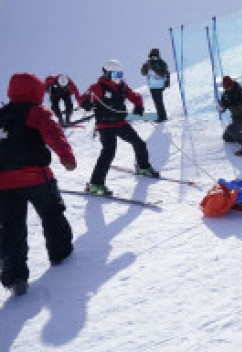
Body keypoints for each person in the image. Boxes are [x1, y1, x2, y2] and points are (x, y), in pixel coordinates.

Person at [0, 73, 77, 296]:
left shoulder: (2, 115)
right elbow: (54, 133)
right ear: (36, 90)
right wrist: (67, 157)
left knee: (11, 227)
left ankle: (15, 277)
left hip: (4, 184)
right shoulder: (37, 111)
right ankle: (60, 253)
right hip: (37, 176)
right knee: (52, 213)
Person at [80, 59, 159, 195]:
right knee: (109, 152)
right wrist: (86, 103)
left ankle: (143, 167)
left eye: (119, 74)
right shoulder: (97, 87)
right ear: (107, 73)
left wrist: (139, 106)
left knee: (139, 143)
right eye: (115, 75)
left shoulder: (122, 86)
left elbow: (135, 96)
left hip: (120, 123)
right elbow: (83, 98)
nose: (118, 78)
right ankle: (95, 184)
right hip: (105, 125)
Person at [217, 76, 242, 156]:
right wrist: (221, 107)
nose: (226, 89)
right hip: (236, 119)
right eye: (225, 87)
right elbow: (222, 107)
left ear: (232, 84)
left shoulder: (241, 92)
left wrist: (234, 104)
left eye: (228, 87)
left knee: (231, 129)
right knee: (226, 137)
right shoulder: (226, 95)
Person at [140, 48, 170, 122]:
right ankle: (161, 115)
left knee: (159, 101)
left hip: (159, 85)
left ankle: (162, 117)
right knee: (157, 101)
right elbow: (143, 73)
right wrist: (145, 67)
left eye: (155, 56)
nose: (154, 58)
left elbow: (162, 73)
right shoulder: (148, 63)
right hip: (152, 86)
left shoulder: (162, 63)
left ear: (158, 56)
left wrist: (152, 67)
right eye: (152, 56)